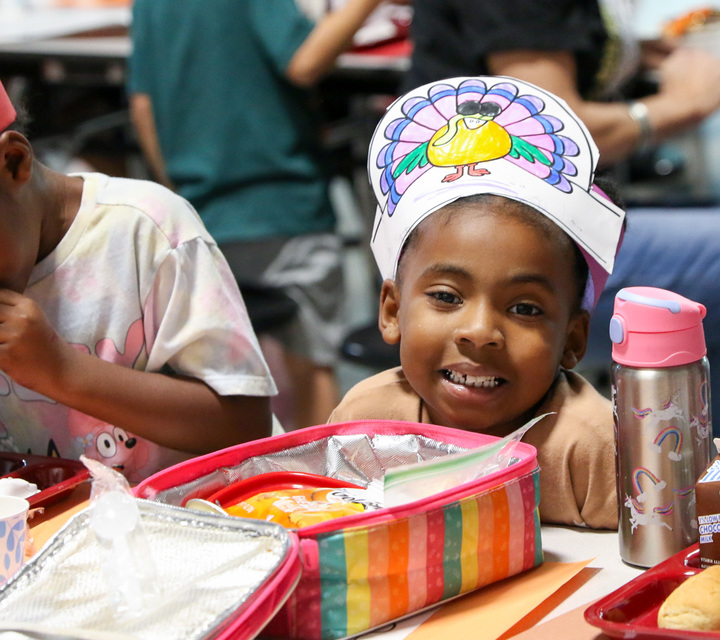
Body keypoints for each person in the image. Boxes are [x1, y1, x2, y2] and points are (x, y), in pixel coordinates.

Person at [401, 0, 720, 441]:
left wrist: (629, 52)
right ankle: (706, 465)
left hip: (567, 216)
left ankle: (709, 449)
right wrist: (681, 103)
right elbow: (550, 139)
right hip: (507, 242)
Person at [329, 76, 629, 528]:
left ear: (572, 338)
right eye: (446, 297)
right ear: (392, 311)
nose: (480, 332)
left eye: (524, 308)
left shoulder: (592, 447)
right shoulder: (366, 426)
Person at [0, 79, 275, 483]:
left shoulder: (148, 231)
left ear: (13, 161)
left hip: (186, 514)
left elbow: (246, 423)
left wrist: (60, 370)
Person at [127, 0, 385, 430]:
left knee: (213, 375)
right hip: (285, 205)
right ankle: (320, 469)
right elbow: (305, 62)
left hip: (201, 215)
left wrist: (178, 195)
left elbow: (142, 106)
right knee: (312, 364)